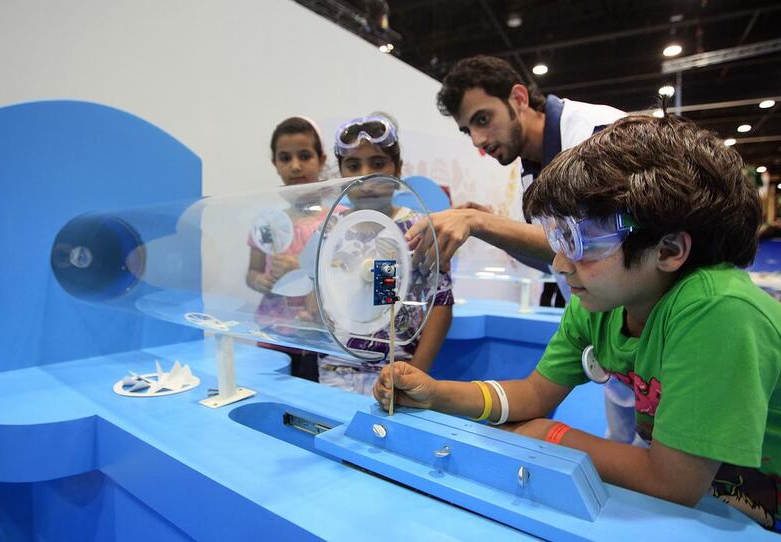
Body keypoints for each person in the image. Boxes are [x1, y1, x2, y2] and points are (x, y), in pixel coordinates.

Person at [375, 114, 781, 530]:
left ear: (669, 248)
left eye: (582, 241)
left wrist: (552, 437)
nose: (560, 263)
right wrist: (436, 394)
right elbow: (533, 394)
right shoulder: (600, 304)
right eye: (558, 237)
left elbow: (673, 482)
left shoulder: (718, 310)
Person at [407, 54, 636, 443]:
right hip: (610, 333)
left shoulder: (596, 135)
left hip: (653, 332)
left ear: (517, 98)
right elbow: (557, 256)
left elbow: (609, 244)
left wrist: (481, 223)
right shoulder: (531, 170)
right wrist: (490, 227)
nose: (478, 140)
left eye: (482, 119)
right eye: (468, 131)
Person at [317, 113, 454, 395]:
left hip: (396, 371)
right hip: (334, 368)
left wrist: (415, 371)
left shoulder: (417, 228)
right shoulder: (330, 229)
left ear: (398, 168)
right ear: (340, 172)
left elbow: (441, 303)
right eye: (353, 165)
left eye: (377, 163)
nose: (365, 176)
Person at [247, 116, 327, 382]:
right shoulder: (267, 222)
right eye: (285, 158)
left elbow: (342, 280)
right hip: (274, 334)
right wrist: (263, 280)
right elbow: (252, 273)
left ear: (322, 159)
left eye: (305, 156)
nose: (295, 166)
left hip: (318, 338)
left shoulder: (335, 219)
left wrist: (301, 273)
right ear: (275, 163)